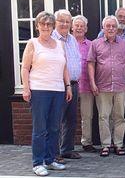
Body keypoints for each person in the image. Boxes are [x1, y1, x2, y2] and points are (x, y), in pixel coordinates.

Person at [21, 11, 72, 176]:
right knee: (40, 129)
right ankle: (38, 162)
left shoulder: (59, 44)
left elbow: (64, 67)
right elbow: (25, 67)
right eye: (43, 24)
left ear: (52, 27)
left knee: (54, 128)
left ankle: (50, 160)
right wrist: (26, 88)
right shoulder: (33, 43)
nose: (46, 27)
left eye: (49, 24)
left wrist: (68, 86)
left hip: (57, 90)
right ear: (37, 26)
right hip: (39, 90)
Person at [88, 15, 125, 157]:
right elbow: (91, 63)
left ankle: (118, 144)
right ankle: (106, 145)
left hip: (120, 86)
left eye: (113, 26)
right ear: (103, 28)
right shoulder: (95, 44)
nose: (111, 28)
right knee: (103, 116)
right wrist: (92, 82)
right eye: (108, 26)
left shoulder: (124, 44)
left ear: (117, 28)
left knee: (119, 116)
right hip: (102, 86)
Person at [52, 9, 81, 162]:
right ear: (55, 22)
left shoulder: (72, 39)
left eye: (67, 21)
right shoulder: (51, 39)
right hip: (59, 84)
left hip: (74, 84)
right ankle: (54, 153)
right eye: (61, 21)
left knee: (70, 119)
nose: (64, 24)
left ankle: (67, 150)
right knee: (56, 120)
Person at [72, 15, 96, 153]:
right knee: (67, 116)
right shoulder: (66, 43)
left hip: (87, 86)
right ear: (72, 27)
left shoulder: (91, 45)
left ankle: (86, 142)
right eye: (77, 25)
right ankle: (66, 144)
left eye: (82, 26)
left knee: (87, 116)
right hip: (69, 85)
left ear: (86, 29)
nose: (79, 28)